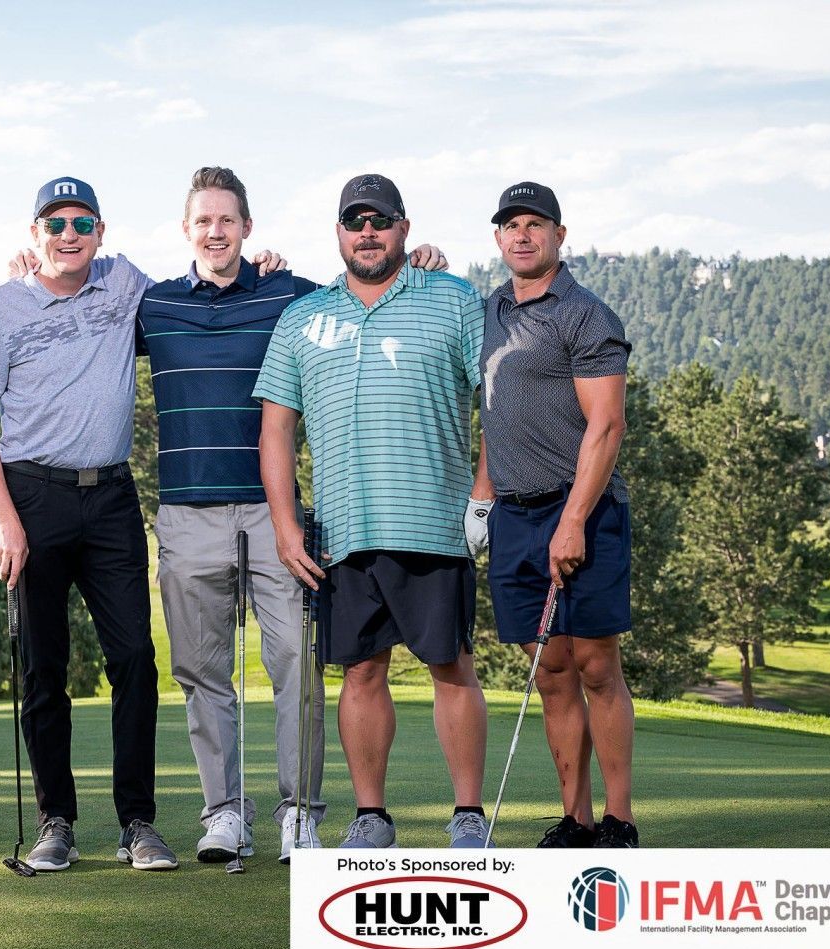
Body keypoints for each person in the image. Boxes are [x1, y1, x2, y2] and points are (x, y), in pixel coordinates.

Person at [138, 167, 449, 865]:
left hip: (274, 513)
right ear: (186, 230)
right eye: (202, 221)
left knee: (296, 667)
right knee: (200, 670)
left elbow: (368, 284)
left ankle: (298, 812)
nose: (214, 232)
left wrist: (423, 263)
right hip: (186, 515)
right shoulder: (153, 306)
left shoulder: (291, 297)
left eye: (227, 220)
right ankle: (223, 814)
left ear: (247, 228)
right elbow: (83, 307)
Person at [254, 173, 494, 850]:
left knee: (451, 666)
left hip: (435, 523)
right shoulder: (303, 316)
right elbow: (275, 427)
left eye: (379, 221)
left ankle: (468, 815)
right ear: (337, 233)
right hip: (342, 528)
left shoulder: (452, 300)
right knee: (361, 672)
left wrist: (483, 495)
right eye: (354, 222)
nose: (367, 233)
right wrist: (283, 522)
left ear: (403, 229)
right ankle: (370, 817)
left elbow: (496, 405)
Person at [0, 176, 179, 872]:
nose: (68, 234)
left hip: (111, 497)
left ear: (102, 233)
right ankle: (56, 822)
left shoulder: (124, 285)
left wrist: (263, 265)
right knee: (43, 669)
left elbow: (201, 284)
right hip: (32, 497)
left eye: (81, 221)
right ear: (34, 235)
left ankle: (137, 822)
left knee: (134, 662)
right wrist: (5, 521)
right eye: (53, 224)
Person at [469, 181, 637, 848]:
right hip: (513, 514)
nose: (521, 235)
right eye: (510, 225)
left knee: (596, 664)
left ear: (558, 236)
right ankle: (575, 817)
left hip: (584, 511)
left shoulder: (585, 316)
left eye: (534, 224)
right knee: (550, 669)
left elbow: (606, 426)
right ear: (498, 239)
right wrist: (481, 501)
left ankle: (618, 819)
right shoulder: (489, 311)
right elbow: (492, 413)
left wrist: (571, 521)